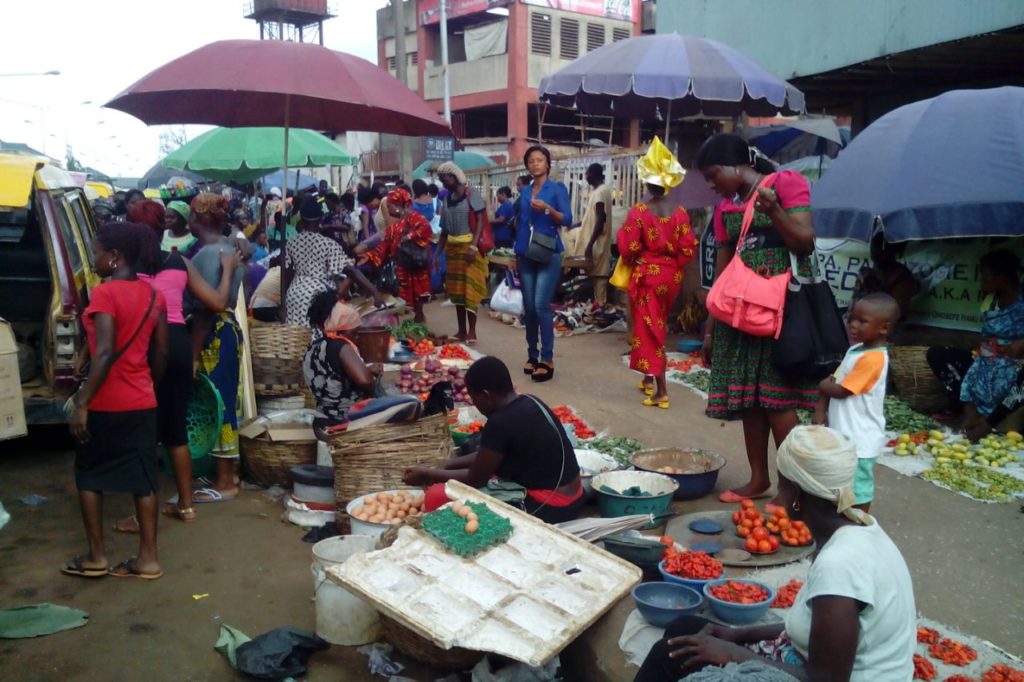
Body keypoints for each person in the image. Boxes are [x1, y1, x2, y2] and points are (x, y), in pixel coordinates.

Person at [635, 425, 916, 682]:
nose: (776, 497)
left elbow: (827, 679)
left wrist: (735, 654)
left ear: (794, 495)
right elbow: (813, 630)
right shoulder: (858, 530)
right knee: (685, 629)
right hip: (816, 663)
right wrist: (737, 635)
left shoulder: (840, 566)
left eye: (781, 485)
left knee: (667, 657)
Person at [698, 133, 818, 505]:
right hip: (737, 312)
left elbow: (805, 241)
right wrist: (711, 329)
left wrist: (774, 212)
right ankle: (758, 479)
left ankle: (793, 487)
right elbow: (722, 270)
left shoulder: (785, 184)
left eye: (715, 174)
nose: (713, 184)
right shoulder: (724, 210)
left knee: (778, 401)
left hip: (779, 308)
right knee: (751, 400)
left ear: (738, 165)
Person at [120, 202, 242, 526]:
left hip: (142, 347)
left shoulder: (127, 268)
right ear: (163, 228)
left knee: (143, 433)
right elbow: (217, 303)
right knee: (175, 431)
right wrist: (228, 270)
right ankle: (186, 506)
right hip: (177, 344)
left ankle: (139, 517)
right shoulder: (180, 262)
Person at [62, 222, 168, 581]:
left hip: (105, 402)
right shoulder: (155, 295)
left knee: (90, 475)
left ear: (114, 257)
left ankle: (96, 557)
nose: (91, 259)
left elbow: (104, 353)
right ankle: (148, 560)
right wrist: (147, 384)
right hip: (142, 400)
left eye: (94, 252)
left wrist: (82, 403)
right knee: (144, 480)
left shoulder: (104, 294)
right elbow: (162, 352)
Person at [402, 357, 584, 523]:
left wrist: (428, 474)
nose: (475, 405)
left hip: (551, 506)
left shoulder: (500, 423)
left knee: (436, 495)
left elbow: (475, 479)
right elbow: (487, 455)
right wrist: (447, 465)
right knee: (468, 475)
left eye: (474, 399)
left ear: (487, 396)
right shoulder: (531, 401)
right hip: (575, 496)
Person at [617, 138, 697, 408]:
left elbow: (626, 248)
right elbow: (688, 250)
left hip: (648, 278)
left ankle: (661, 390)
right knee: (657, 324)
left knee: (651, 331)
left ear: (647, 182)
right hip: (671, 277)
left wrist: (643, 256)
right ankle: (649, 380)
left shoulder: (640, 212)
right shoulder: (680, 212)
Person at [184, 194, 248, 503]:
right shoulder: (231, 249)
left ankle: (225, 482)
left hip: (213, 335)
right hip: (228, 331)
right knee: (225, 402)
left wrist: (193, 354)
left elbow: (205, 310)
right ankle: (227, 472)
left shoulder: (207, 256)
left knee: (218, 404)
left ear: (196, 218)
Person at [813, 293, 899, 512]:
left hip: (861, 437)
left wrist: (822, 385)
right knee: (840, 476)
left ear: (883, 328)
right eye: (851, 318)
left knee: (859, 486)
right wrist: (821, 408)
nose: (853, 325)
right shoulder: (855, 350)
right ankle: (840, 513)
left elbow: (841, 390)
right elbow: (834, 379)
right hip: (843, 432)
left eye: (862, 321)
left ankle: (859, 521)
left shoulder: (874, 359)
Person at [927, 249, 1024, 440]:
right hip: (987, 363)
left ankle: (990, 422)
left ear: (999, 276)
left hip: (1016, 366)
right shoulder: (991, 300)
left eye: (984, 276)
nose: (981, 281)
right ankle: (970, 412)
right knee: (939, 354)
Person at [304, 291, 420, 434]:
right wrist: (369, 395)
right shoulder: (341, 346)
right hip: (346, 419)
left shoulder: (314, 347)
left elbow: (334, 376)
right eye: (354, 333)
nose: (357, 337)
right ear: (341, 329)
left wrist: (366, 369)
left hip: (322, 418)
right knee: (411, 403)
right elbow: (365, 381)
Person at [514, 145, 572, 382]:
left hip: (548, 252)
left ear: (547, 164)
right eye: (531, 161)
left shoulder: (556, 189)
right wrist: (513, 254)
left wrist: (548, 209)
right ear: (527, 165)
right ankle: (532, 355)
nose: (535, 164)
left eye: (539, 160)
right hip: (525, 253)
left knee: (540, 305)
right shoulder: (525, 191)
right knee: (529, 306)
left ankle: (547, 359)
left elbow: (567, 219)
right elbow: (519, 223)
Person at [284, 196, 383, 326]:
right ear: (320, 218)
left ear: (301, 219)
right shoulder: (327, 244)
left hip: (294, 295)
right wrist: (374, 291)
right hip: (317, 298)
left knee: (296, 337)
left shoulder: (291, 243)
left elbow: (286, 273)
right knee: (316, 336)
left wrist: (283, 303)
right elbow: (351, 270)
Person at [357, 188, 433, 323]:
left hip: (416, 261)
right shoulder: (395, 225)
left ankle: (419, 317)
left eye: (390, 205)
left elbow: (426, 228)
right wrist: (369, 256)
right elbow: (384, 246)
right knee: (407, 292)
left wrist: (409, 236)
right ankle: (417, 318)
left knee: (419, 292)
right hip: (403, 264)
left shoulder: (414, 217)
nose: (388, 208)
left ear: (398, 206)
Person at [435, 161, 489, 345]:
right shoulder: (446, 199)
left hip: (469, 249)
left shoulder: (472, 194)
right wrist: (436, 254)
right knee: (457, 292)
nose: (443, 183)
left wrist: (474, 247)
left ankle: (472, 331)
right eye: (441, 180)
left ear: (455, 176)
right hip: (453, 250)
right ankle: (461, 330)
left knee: (470, 291)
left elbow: (481, 221)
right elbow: (444, 230)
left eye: (445, 179)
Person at [851, 233, 919, 322]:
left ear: (889, 250)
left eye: (878, 247)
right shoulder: (868, 273)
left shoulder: (902, 276)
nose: (874, 251)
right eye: (873, 247)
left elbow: (897, 311)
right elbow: (854, 306)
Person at [576, 163, 614, 309]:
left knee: (599, 278)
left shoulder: (599, 193)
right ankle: (598, 308)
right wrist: (577, 224)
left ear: (593, 174)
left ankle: (600, 310)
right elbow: (594, 216)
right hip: (600, 241)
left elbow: (600, 220)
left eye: (587, 173)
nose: (586, 177)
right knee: (598, 277)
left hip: (598, 241)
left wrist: (589, 244)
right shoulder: (605, 191)